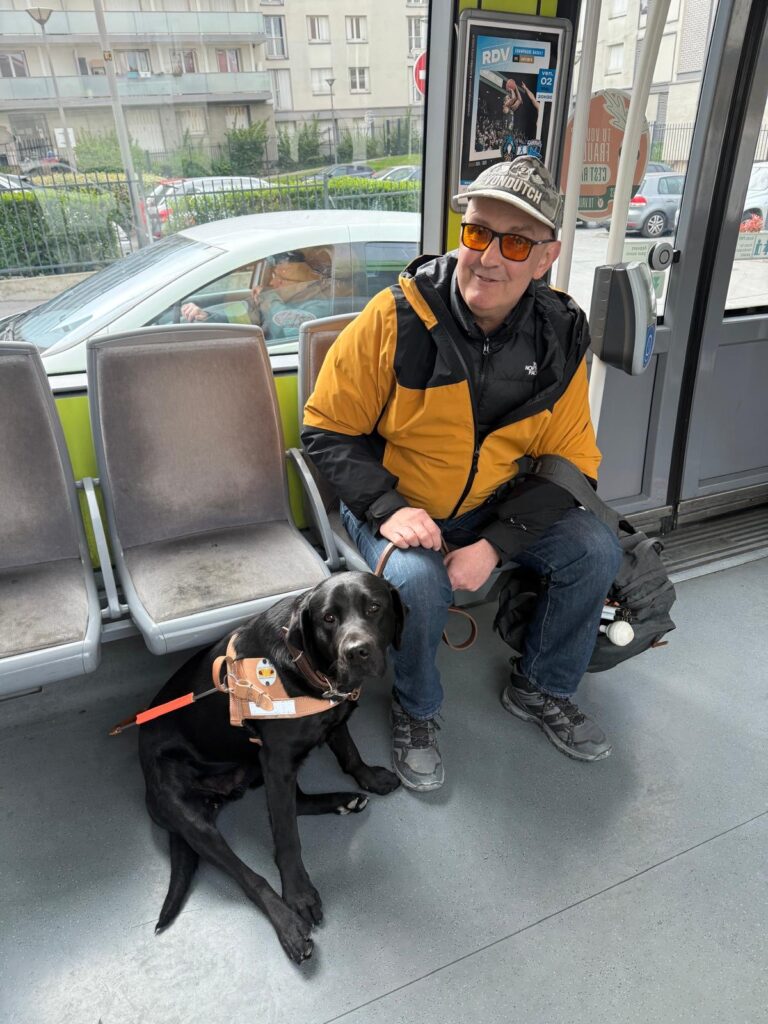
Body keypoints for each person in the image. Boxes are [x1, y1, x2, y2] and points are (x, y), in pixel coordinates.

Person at [302, 157, 623, 792]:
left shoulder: (558, 338)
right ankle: (416, 711)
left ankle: (542, 688)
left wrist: (493, 544)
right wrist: (389, 508)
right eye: (478, 233)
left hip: (492, 508)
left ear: (545, 258)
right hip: (394, 503)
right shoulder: (394, 319)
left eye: (516, 243)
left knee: (596, 549)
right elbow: (326, 429)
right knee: (419, 585)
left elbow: (570, 464)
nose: (490, 258)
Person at [181, 250, 332, 340]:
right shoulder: (276, 299)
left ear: (305, 284)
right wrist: (207, 316)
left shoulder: (320, 306)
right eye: (274, 276)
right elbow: (239, 317)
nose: (272, 283)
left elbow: (283, 330)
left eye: (282, 279)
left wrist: (268, 298)